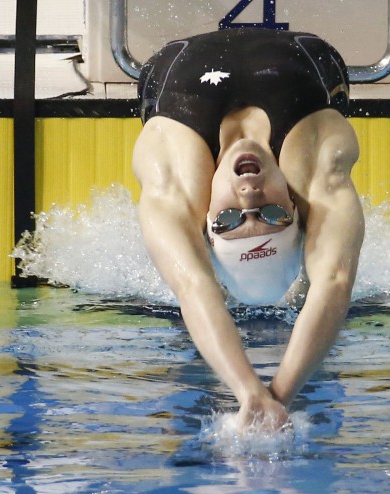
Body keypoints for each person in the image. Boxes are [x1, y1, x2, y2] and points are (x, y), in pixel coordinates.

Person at [132, 28, 364, 430]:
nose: (249, 199)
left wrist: (248, 392)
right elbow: (336, 280)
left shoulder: (174, 179)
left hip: (174, 63)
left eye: (229, 221)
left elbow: (193, 286)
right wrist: (278, 397)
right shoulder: (316, 167)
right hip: (306, 56)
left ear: (204, 223)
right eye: (273, 216)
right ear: (296, 207)